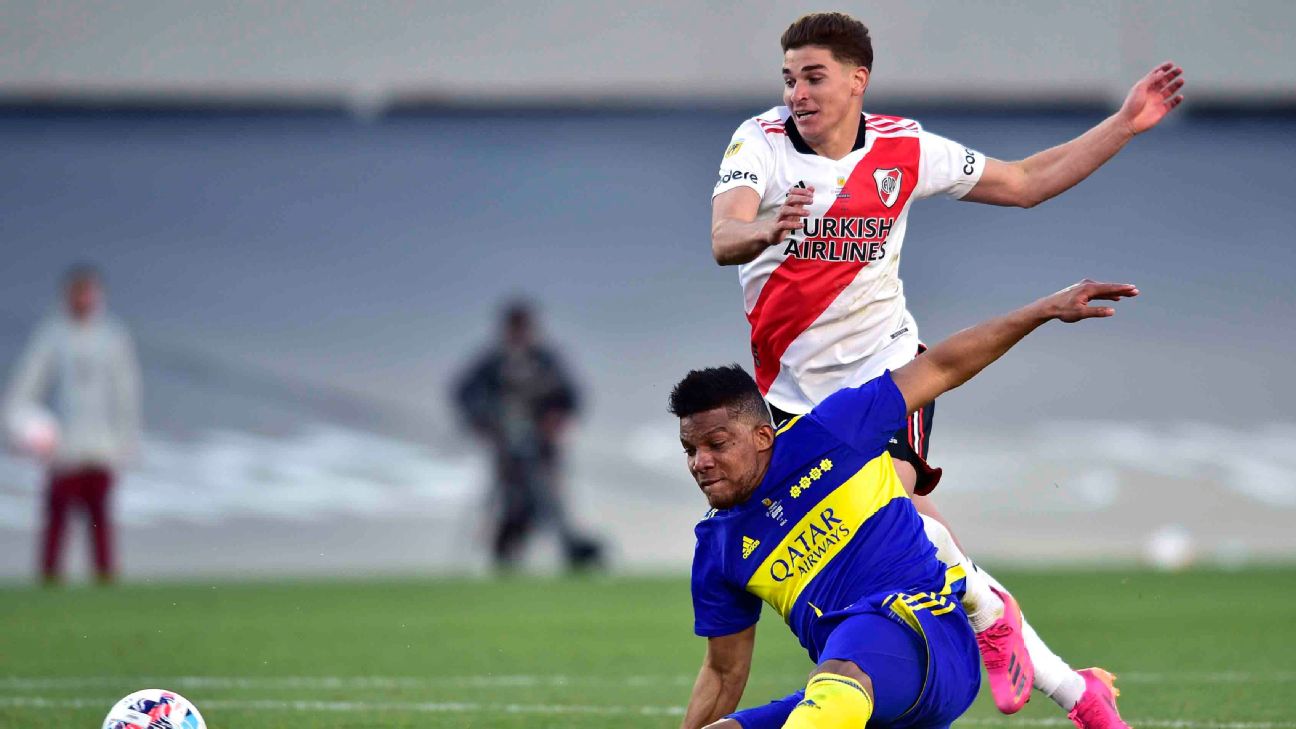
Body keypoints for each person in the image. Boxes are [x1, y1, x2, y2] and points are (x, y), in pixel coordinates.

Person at [709, 12, 1184, 722]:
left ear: (856, 80)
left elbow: (1024, 182)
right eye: (788, 79)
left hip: (891, 372)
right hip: (790, 402)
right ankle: (1069, 682)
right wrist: (763, 230)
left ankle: (1001, 631)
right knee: (883, 539)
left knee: (896, 513)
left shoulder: (906, 148)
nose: (797, 93)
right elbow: (724, 234)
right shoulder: (760, 142)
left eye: (813, 77)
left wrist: (1122, 123)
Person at [676, 280, 1138, 729]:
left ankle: (981, 603)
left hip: (928, 644)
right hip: (868, 695)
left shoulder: (833, 432)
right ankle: (1050, 666)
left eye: (716, 444)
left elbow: (941, 367)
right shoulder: (717, 547)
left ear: (762, 435)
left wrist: (1039, 311)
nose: (701, 462)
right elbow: (722, 674)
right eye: (690, 450)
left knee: (842, 672)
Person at [3, 265, 141, 585]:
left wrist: (127, 439)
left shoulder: (113, 337)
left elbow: (127, 392)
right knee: (56, 521)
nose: (83, 299)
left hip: (102, 447)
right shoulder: (52, 336)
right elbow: (25, 386)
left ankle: (106, 582)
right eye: (77, 292)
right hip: (64, 449)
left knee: (100, 521)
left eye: (88, 292)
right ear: (68, 295)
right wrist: (18, 426)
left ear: (98, 295)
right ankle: (50, 582)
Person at [454, 300, 602, 571]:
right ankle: (506, 552)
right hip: (506, 450)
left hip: (543, 448)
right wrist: (484, 424)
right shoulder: (492, 364)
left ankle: (570, 551)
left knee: (550, 499)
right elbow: (465, 394)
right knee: (512, 501)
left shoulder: (546, 360)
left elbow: (571, 396)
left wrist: (556, 420)